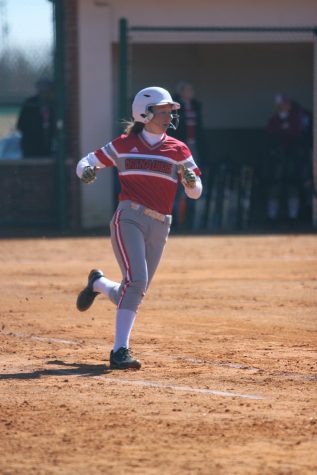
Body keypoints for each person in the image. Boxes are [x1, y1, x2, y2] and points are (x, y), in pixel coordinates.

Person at [75, 86, 203, 370]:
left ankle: (97, 283)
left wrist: (190, 181)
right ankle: (119, 351)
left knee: (132, 288)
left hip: (161, 224)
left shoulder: (178, 149)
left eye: (170, 110)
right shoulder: (124, 144)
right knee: (138, 281)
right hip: (129, 217)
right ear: (145, 114)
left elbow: (196, 193)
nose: (169, 115)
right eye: (163, 110)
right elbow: (87, 162)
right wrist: (84, 171)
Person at [168, 81, 207, 231]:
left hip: (193, 146)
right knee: (177, 186)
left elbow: (199, 128)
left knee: (194, 179)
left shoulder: (196, 106)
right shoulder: (175, 107)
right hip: (180, 147)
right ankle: (176, 222)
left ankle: (191, 222)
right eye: (187, 89)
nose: (190, 92)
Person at [265, 93, 304, 224]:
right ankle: (272, 218)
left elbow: (297, 136)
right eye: (281, 104)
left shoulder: (296, 119)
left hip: (292, 158)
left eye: (285, 103)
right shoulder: (273, 120)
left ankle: (293, 218)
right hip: (277, 159)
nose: (283, 106)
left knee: (292, 187)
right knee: (274, 188)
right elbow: (270, 138)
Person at [17, 78, 55, 158]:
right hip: (31, 147)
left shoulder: (54, 104)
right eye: (42, 89)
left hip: (48, 148)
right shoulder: (30, 104)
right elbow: (20, 125)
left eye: (47, 90)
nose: (45, 93)